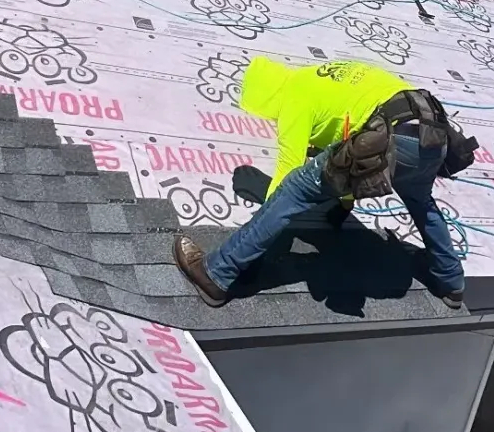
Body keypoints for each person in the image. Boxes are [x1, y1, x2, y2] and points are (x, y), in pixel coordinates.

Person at [171, 57, 466, 309]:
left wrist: (270, 235)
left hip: (392, 136)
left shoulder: (294, 98)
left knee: (294, 189)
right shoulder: (317, 77)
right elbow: (350, 138)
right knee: (420, 202)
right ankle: (451, 282)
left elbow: (289, 171)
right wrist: (341, 206)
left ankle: (217, 273)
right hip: (432, 132)